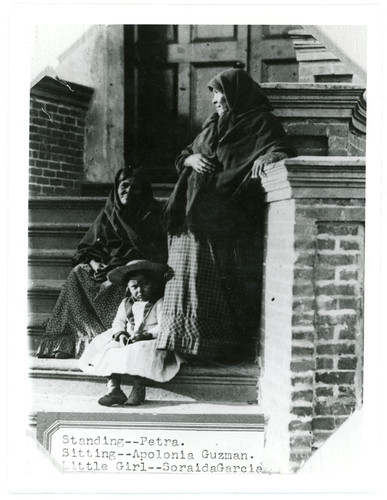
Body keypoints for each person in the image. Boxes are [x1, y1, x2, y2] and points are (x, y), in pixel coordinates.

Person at [158, 68, 296, 363]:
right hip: (189, 213)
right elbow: (185, 152)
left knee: (210, 285)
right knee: (182, 281)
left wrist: (268, 156)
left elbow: (283, 148)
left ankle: (211, 349)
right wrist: (190, 159)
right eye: (212, 94)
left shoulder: (261, 122)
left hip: (221, 216)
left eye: (218, 92)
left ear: (235, 92)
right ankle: (179, 344)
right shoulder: (213, 122)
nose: (214, 101)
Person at [36, 167, 167, 359]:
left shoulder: (152, 214)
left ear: (144, 191)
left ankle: (109, 338)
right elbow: (87, 247)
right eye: (124, 186)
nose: (128, 191)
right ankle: (71, 341)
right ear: (117, 187)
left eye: (135, 187)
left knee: (127, 281)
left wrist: (120, 267)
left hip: (131, 270)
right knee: (78, 272)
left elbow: (155, 252)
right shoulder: (109, 213)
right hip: (106, 267)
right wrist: (96, 263)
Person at [79, 260, 182, 406]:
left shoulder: (160, 302)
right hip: (129, 338)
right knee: (109, 350)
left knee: (140, 351)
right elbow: (118, 322)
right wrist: (121, 334)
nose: (139, 291)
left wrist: (147, 335)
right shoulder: (126, 303)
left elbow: (164, 326)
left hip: (150, 339)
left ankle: (138, 389)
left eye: (145, 285)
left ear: (155, 284)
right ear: (128, 287)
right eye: (134, 286)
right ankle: (114, 389)